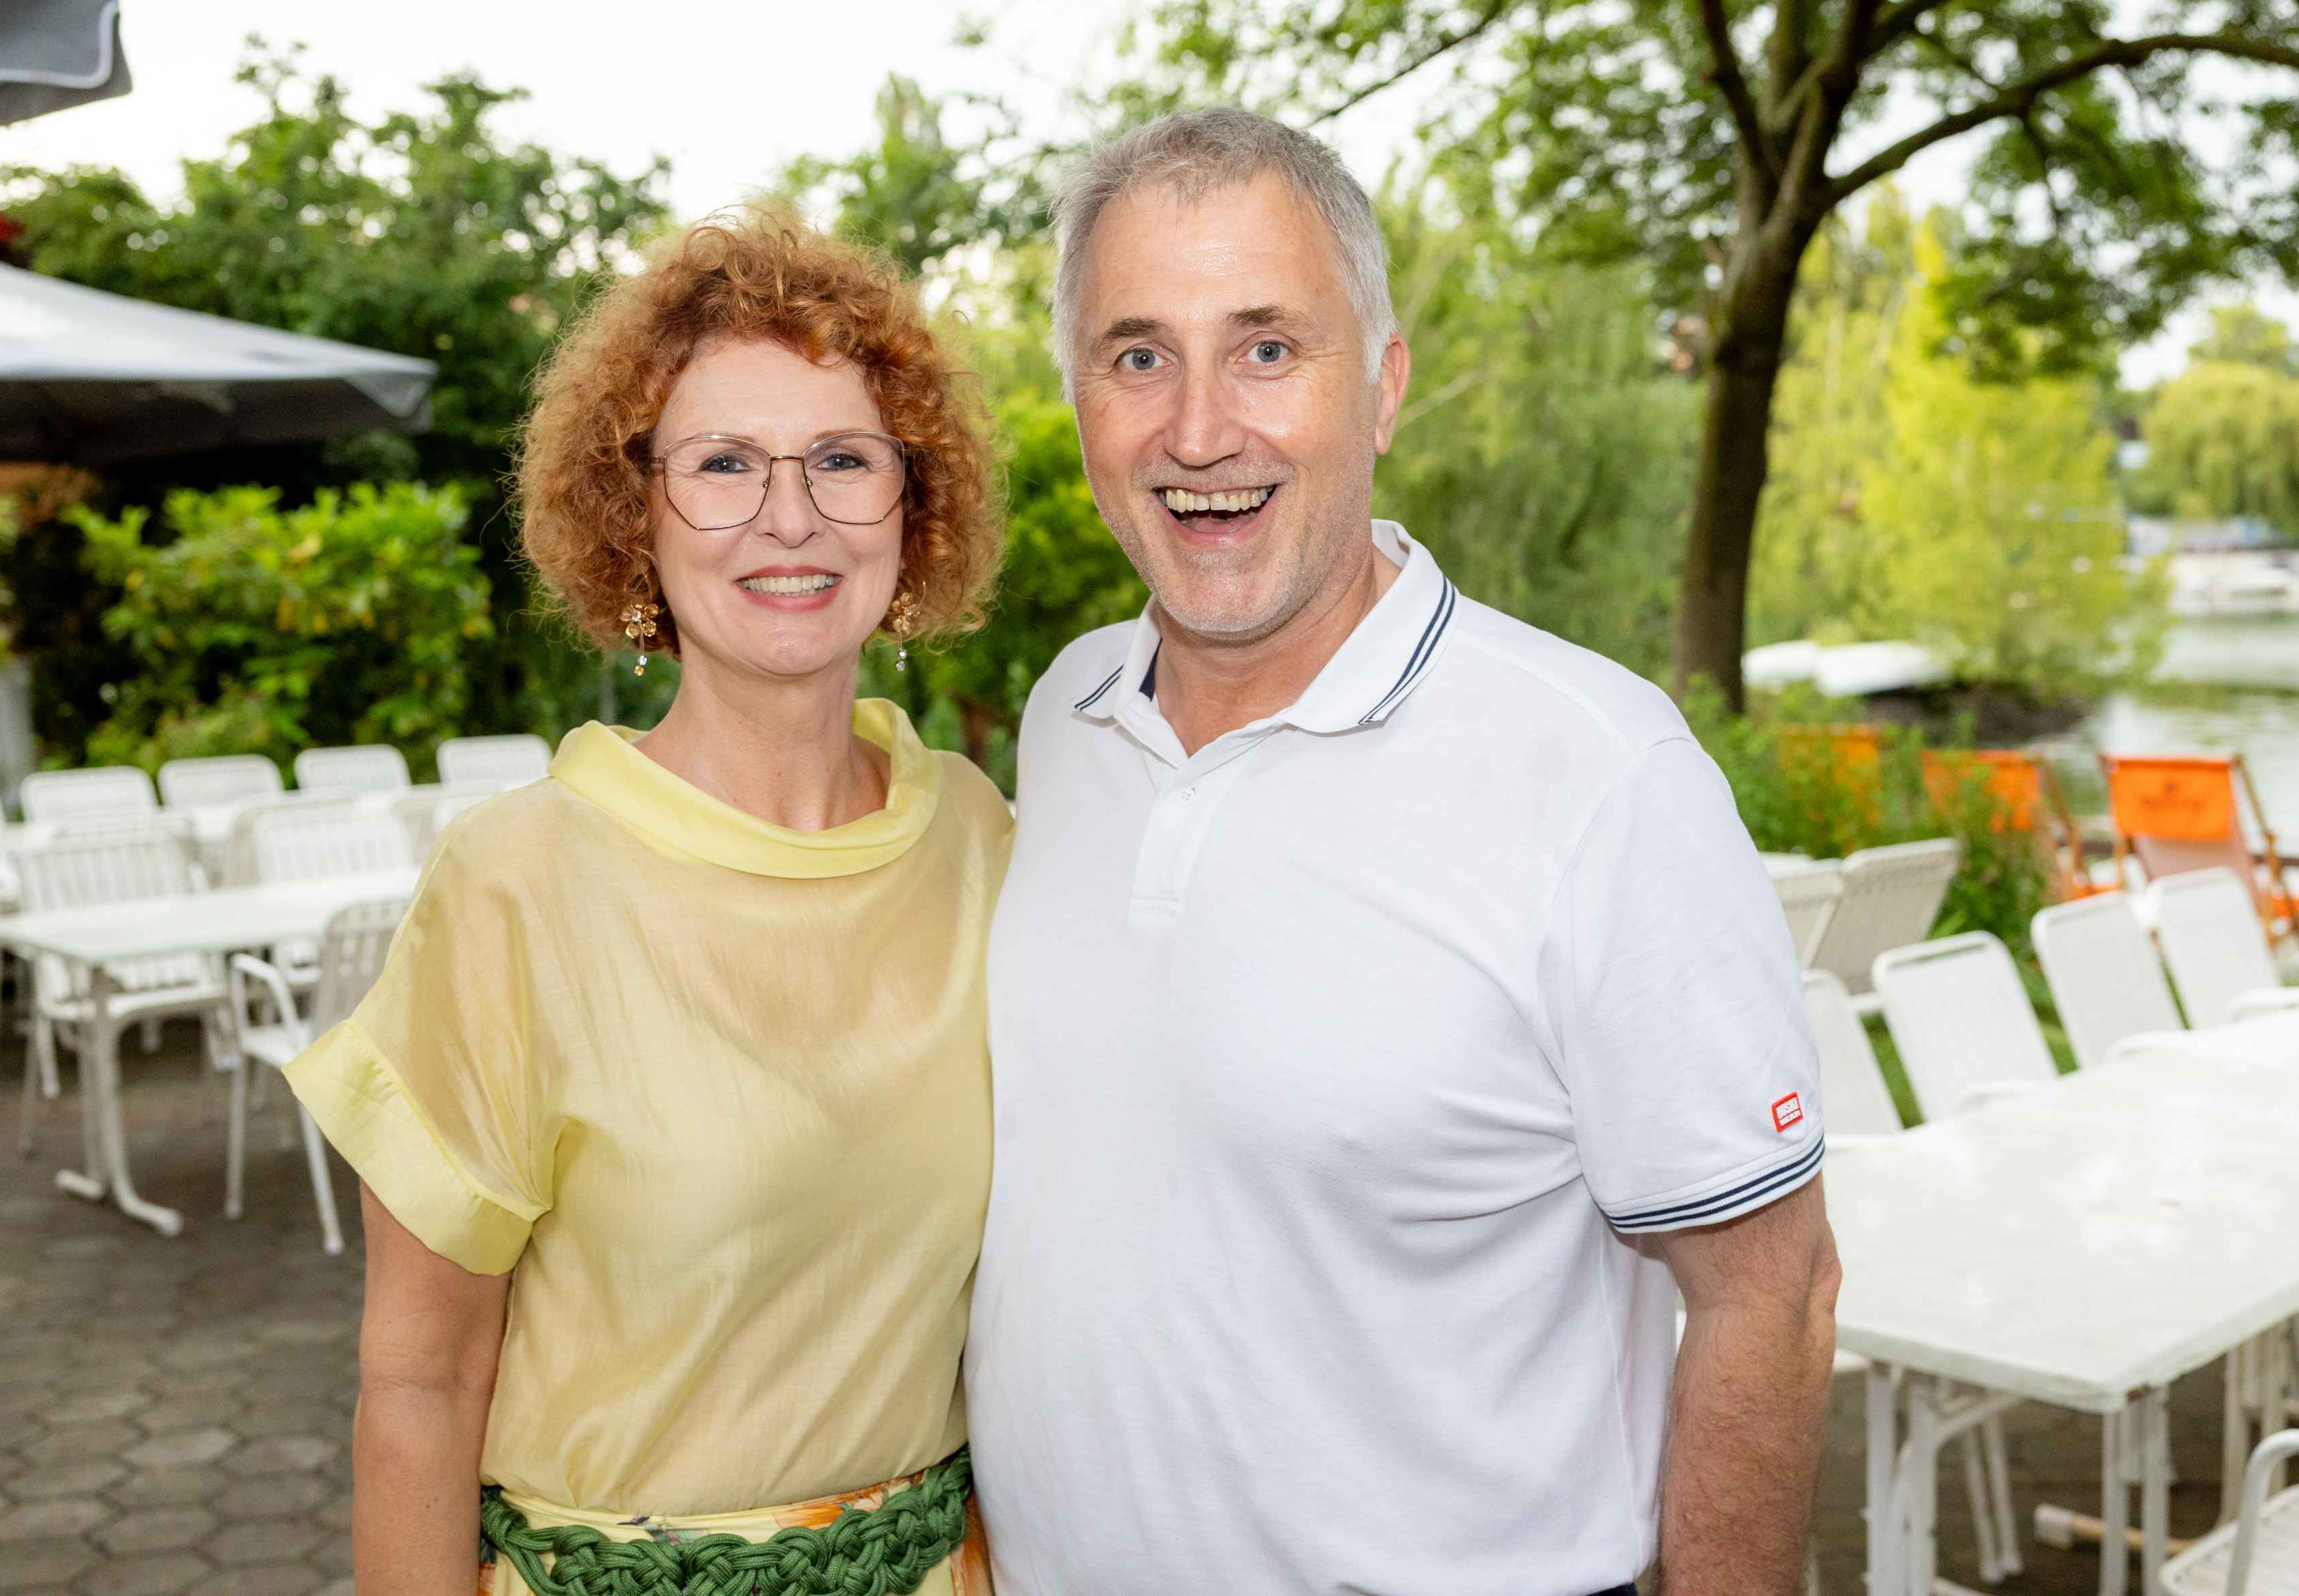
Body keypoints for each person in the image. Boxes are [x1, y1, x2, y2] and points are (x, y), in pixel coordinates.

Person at [966, 109, 1841, 1596]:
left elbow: (1776, 1294)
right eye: (1138, 355)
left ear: (1380, 388)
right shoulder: (1069, 714)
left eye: (1265, 348)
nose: (1198, 430)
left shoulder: (1598, 774)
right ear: (1077, 402)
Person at [285, 213, 1010, 1596]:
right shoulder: (516, 883)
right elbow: (421, 1388)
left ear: (913, 508)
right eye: (723, 462)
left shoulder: (981, 841)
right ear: (634, 515)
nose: (789, 516)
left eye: (843, 458)